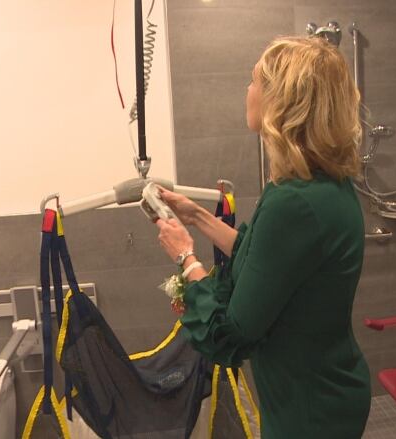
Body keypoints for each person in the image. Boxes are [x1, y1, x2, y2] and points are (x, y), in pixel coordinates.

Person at [155, 36, 370, 438]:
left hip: (309, 408)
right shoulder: (320, 184)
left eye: (255, 81)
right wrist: (198, 215)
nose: (247, 90)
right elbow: (266, 260)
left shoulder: (294, 202)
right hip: (324, 387)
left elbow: (230, 335)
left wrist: (186, 256)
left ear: (282, 100)